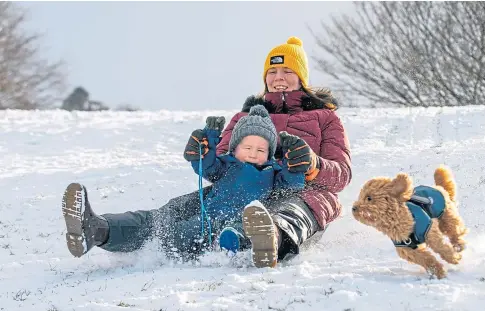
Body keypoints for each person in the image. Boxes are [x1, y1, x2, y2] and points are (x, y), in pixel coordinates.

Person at [61, 36, 352, 268]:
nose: (279, 77)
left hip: (300, 192)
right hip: (237, 189)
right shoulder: (245, 117)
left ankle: (268, 239)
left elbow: (342, 175)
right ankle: (98, 229)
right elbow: (222, 161)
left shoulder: (325, 118)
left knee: (285, 213)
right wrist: (204, 153)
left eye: (287, 71)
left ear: (301, 76)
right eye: (272, 71)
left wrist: (313, 164)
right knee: (169, 214)